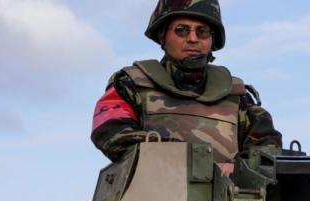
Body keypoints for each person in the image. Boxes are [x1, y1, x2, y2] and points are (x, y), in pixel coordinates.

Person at [90, 0, 282, 173]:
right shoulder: (131, 84)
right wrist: (193, 162)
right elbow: (110, 134)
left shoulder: (236, 96)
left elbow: (267, 149)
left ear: (212, 39)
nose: (192, 38)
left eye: (202, 31)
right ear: (162, 35)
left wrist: (240, 171)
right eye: (181, 30)